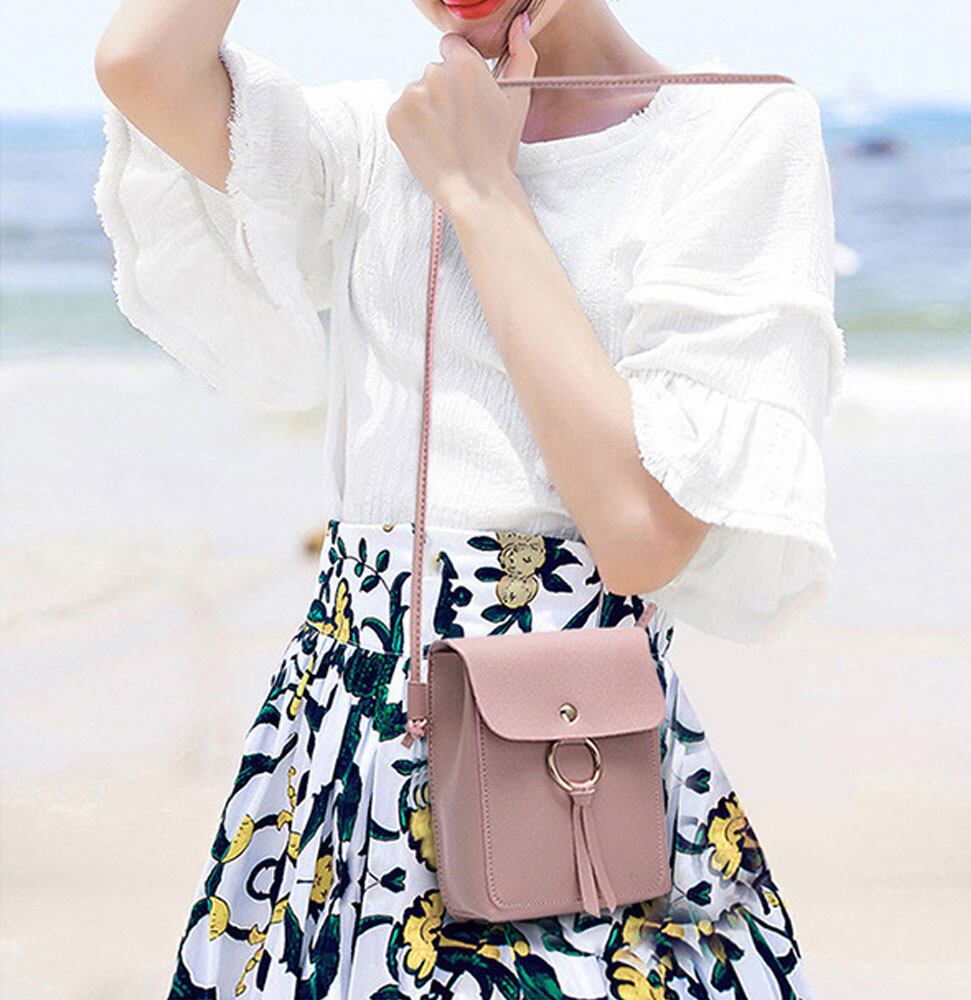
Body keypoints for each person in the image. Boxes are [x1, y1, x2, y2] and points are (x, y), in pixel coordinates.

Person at [93, 0, 844, 996]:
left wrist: (480, 189)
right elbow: (141, 63)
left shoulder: (731, 131)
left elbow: (641, 535)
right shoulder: (380, 139)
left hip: (569, 760)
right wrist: (453, 162)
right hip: (349, 747)